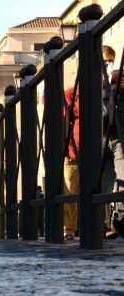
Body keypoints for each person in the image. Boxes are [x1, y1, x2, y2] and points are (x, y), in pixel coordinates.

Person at [103, 46, 124, 238]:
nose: (107, 65)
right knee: (102, 183)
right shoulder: (88, 83)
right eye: (104, 61)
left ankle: (119, 220)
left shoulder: (121, 80)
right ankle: (101, 224)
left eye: (110, 61)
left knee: (122, 177)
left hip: (118, 136)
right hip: (99, 137)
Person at [63, 85, 80, 240]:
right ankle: (69, 230)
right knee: (69, 194)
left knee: (97, 191)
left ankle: (98, 227)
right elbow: (62, 121)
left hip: (94, 154)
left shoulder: (101, 91)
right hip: (72, 153)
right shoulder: (70, 93)